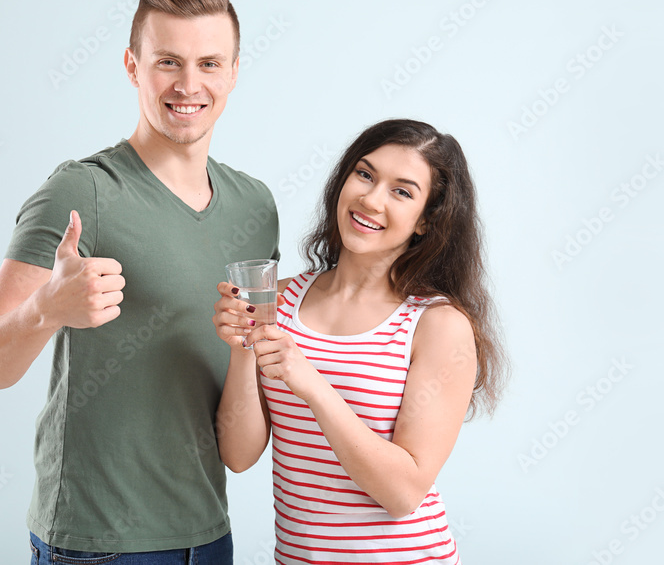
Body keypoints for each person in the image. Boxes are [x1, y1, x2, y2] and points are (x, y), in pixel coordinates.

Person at [0, 0, 280, 564]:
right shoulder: (82, 190)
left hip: (209, 538)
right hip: (98, 545)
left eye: (210, 63)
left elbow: (242, 423)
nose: (189, 85)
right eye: (168, 62)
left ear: (234, 71)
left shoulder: (255, 207)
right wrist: (45, 309)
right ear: (133, 66)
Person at [212, 119, 507, 564]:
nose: (370, 199)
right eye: (365, 174)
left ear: (426, 220)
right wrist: (241, 348)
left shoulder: (438, 325)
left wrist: (311, 384)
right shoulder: (282, 299)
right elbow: (237, 456)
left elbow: (404, 493)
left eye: (402, 191)